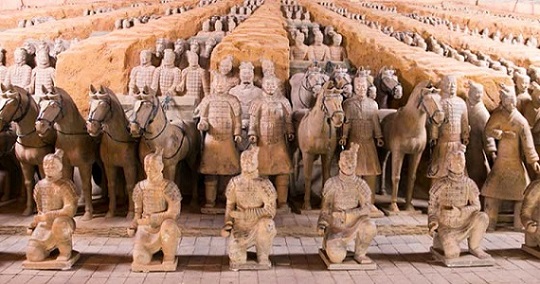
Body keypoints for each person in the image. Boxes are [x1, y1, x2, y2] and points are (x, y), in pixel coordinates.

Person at [482, 84, 540, 231]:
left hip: (515, 161)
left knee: (522, 194)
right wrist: (501, 134)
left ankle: (519, 225)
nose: (508, 104)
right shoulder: (498, 115)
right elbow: (488, 130)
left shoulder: (520, 120)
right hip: (501, 160)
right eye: (505, 101)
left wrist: (533, 160)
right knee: (491, 193)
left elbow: (528, 142)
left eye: (510, 101)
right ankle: (490, 223)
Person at [317, 144, 377, 264]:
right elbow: (326, 207)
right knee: (337, 258)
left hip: (355, 223)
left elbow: (367, 208)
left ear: (355, 165)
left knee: (370, 226)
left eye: (352, 165)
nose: (349, 167)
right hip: (336, 227)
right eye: (346, 164)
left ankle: (360, 253)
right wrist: (322, 223)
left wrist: (347, 214)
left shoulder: (361, 185)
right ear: (340, 164)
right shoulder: (332, 183)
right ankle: (330, 244)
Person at [428, 147, 491, 260]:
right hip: (447, 226)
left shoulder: (469, 184)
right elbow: (432, 208)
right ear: (449, 164)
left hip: (465, 222)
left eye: (461, 161)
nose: (459, 164)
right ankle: (447, 242)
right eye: (455, 161)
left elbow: (477, 206)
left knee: (482, 217)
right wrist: (433, 222)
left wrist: (461, 211)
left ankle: (474, 246)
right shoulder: (440, 185)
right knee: (452, 255)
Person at [221, 146, 277, 269]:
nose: (247, 164)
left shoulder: (264, 185)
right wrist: (227, 224)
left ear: (256, 163)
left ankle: (262, 254)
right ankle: (238, 248)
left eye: (250, 162)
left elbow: (271, 211)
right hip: (240, 227)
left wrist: (247, 214)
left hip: (258, 226)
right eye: (244, 162)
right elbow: (229, 206)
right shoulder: (235, 183)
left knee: (267, 224)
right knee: (237, 259)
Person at [128, 150, 181, 268]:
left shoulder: (168, 187)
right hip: (145, 230)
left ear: (161, 166)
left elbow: (174, 212)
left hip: (163, 226)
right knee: (140, 259)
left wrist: (154, 218)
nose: (149, 169)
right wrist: (133, 225)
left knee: (169, 226)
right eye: (146, 165)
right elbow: (137, 214)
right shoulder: (140, 187)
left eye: (152, 165)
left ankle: (168, 258)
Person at [249, 76, 294, 209]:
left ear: (277, 86)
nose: (270, 86)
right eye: (267, 84)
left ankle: (282, 202)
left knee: (283, 171)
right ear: (263, 85)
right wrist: (252, 133)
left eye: (272, 84)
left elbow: (288, 120)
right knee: (262, 172)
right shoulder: (257, 102)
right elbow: (254, 121)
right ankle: (263, 201)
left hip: (279, 142)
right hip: (262, 142)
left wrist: (290, 132)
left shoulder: (283, 102)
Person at [197, 76, 242, 208]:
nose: (220, 85)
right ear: (213, 85)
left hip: (227, 140)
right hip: (211, 140)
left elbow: (237, 120)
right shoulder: (207, 100)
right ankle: (210, 201)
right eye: (218, 83)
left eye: (223, 83)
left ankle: (228, 201)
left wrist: (237, 134)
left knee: (229, 171)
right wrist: (203, 124)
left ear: (227, 85)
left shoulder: (232, 100)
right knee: (210, 172)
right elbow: (203, 118)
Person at [26, 149, 78, 263]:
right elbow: (40, 209)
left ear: (60, 167)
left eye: (52, 165)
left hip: (62, 222)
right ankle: (50, 248)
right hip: (44, 226)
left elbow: (70, 210)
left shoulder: (65, 186)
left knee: (59, 224)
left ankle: (65, 251)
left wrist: (49, 215)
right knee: (33, 255)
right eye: (46, 165)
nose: (49, 167)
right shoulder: (39, 186)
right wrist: (36, 222)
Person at [428, 75, 469, 180]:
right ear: (444, 86)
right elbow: (435, 122)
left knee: (458, 167)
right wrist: (434, 136)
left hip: (457, 142)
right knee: (440, 168)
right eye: (449, 84)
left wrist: (465, 135)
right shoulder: (440, 102)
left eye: (454, 84)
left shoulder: (461, 103)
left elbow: (464, 121)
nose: (452, 87)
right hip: (443, 142)